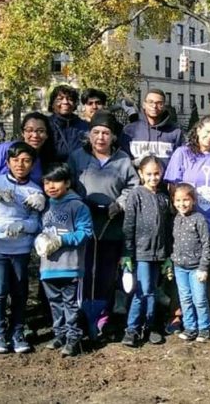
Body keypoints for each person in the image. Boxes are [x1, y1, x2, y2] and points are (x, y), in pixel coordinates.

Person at [69, 110, 140, 334]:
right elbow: (67, 184)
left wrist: (119, 204)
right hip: (83, 225)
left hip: (111, 225)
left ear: (113, 137)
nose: (101, 137)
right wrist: (80, 204)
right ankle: (81, 312)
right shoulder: (77, 157)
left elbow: (133, 186)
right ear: (89, 135)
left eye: (106, 133)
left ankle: (103, 314)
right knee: (84, 270)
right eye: (96, 132)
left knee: (107, 271)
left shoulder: (122, 160)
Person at [0, 142, 43, 354]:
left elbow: (36, 222)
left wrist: (23, 225)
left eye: (26, 161)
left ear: (32, 164)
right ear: (7, 163)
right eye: (15, 160)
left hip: (20, 249)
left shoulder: (34, 190)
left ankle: (17, 331)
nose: (20, 165)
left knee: (20, 292)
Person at [164, 115, 210, 320]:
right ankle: (179, 312)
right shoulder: (182, 154)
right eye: (207, 131)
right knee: (184, 266)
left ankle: (208, 311)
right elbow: (172, 186)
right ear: (198, 129)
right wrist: (182, 213)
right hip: (189, 222)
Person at [35, 163, 94, 357]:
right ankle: (59, 334)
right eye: (46, 182)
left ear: (67, 183)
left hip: (71, 267)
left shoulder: (77, 206)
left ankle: (73, 338)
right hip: (48, 267)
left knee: (71, 304)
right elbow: (38, 230)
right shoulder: (44, 206)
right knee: (54, 303)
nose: (51, 186)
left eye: (56, 181)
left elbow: (85, 232)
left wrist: (61, 240)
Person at [121, 156, 173, 347]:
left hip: (159, 254)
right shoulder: (136, 195)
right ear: (141, 174)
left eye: (157, 173)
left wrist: (168, 256)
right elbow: (128, 226)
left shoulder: (164, 197)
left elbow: (168, 228)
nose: (153, 177)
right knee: (142, 291)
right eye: (149, 174)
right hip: (141, 253)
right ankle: (132, 329)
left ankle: (151, 327)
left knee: (153, 291)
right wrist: (127, 253)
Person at [171, 184, 210, 342]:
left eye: (186, 200)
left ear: (193, 201)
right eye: (178, 200)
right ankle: (190, 327)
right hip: (179, 267)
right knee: (185, 299)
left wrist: (203, 267)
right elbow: (174, 242)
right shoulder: (176, 219)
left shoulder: (199, 219)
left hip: (196, 268)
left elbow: (206, 245)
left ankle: (204, 328)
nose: (182, 204)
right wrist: (173, 260)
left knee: (199, 299)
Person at [0, 112, 56, 190]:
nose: (35, 135)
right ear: (22, 133)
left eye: (40, 131)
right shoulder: (5, 149)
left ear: (47, 134)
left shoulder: (49, 158)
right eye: (29, 130)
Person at [120, 89, 184, 167]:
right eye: (150, 102)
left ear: (164, 106)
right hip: (136, 178)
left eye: (159, 103)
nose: (154, 106)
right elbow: (122, 163)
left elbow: (181, 162)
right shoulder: (129, 130)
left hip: (166, 179)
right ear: (144, 105)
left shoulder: (175, 132)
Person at [47, 84, 90, 162]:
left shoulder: (85, 126)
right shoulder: (45, 125)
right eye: (60, 99)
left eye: (70, 99)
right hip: (53, 171)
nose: (65, 102)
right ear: (52, 104)